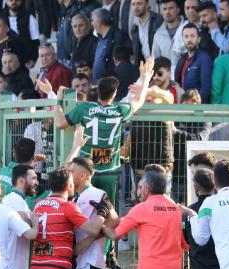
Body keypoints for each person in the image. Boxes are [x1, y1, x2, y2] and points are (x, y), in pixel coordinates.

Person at [55, 58, 154, 207]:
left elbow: (60, 123)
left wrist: (58, 101)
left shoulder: (85, 109)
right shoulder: (120, 110)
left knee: (83, 210)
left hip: (85, 172)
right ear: (114, 94)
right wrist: (145, 79)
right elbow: (139, 101)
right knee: (107, 212)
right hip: (109, 172)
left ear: (97, 90)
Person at [91, 7, 132, 82]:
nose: (92, 23)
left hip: (112, 83)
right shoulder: (99, 39)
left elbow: (123, 58)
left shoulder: (119, 36)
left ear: (99, 22)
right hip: (98, 84)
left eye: (93, 20)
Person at [175, 23, 212, 103]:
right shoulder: (181, 59)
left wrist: (197, 107)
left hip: (196, 108)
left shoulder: (204, 59)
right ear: (183, 39)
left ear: (198, 39)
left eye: (192, 36)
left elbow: (205, 89)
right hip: (183, 106)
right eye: (186, 36)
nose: (189, 40)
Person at [1, 0, 39, 68]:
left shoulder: (30, 18)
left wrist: (33, 59)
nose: (14, 2)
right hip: (2, 63)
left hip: (23, 63)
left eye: (17, 0)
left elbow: (35, 41)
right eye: (11, 0)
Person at [151, 0, 184, 77]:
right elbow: (155, 60)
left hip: (186, 76)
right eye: (164, 9)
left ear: (178, 10)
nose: (167, 12)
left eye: (171, 8)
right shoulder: (158, 34)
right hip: (167, 80)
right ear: (161, 12)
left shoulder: (188, 28)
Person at [130, 0, 163, 65]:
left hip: (160, 65)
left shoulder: (158, 20)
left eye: (139, 3)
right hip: (146, 67)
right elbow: (137, 54)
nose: (135, 7)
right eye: (133, 4)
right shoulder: (134, 28)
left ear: (147, 4)